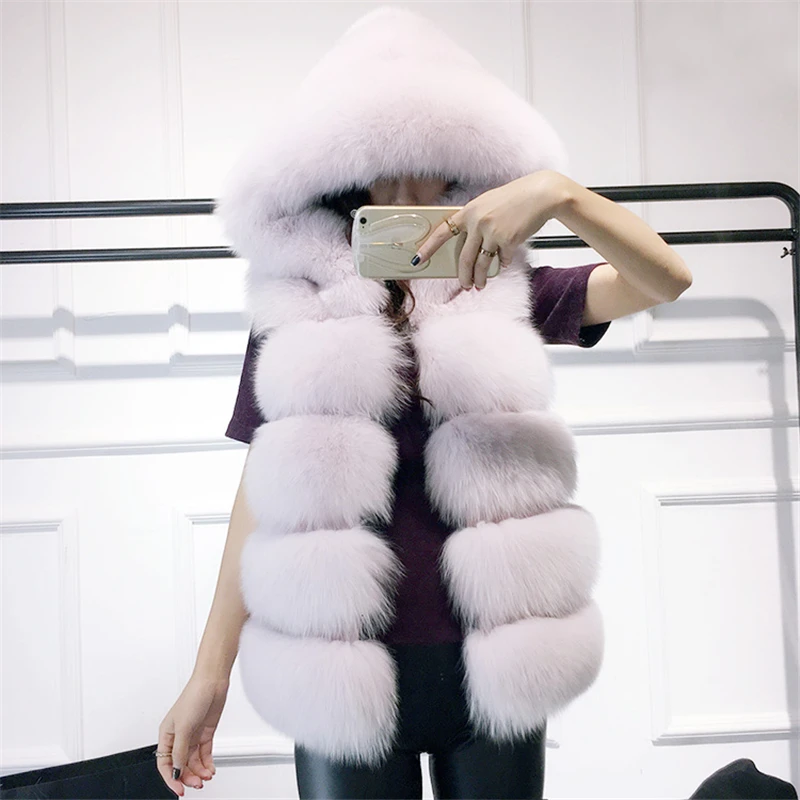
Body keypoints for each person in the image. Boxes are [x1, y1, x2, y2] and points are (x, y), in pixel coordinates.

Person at [156, 8, 692, 799]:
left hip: (492, 667)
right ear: (343, 179)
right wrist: (211, 671)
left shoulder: (507, 289)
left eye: (434, 168)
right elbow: (265, 491)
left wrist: (558, 196)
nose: (409, 194)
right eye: (383, 169)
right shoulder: (295, 311)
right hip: (338, 671)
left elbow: (664, 279)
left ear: (470, 172)